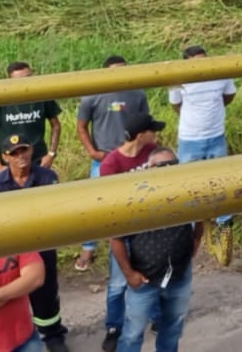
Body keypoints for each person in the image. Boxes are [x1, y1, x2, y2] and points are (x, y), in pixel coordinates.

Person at [109, 147, 199, 352]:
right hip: (144, 280)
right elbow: (116, 239)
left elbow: (202, 214)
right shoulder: (134, 199)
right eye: (161, 166)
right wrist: (129, 274)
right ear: (149, 168)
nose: (167, 170)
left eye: (172, 165)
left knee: (173, 327)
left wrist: (196, 239)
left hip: (179, 277)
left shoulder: (185, 193)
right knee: (132, 333)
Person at [0, 138, 68, 351]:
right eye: (14, 153)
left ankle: (52, 335)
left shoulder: (47, 177)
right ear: (5, 157)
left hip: (42, 244)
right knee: (11, 295)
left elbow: (55, 211)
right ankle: (15, 337)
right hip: (10, 249)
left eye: (24, 150)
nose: (20, 156)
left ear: (31, 150)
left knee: (46, 292)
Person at [94, 113, 165, 351]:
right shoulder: (111, 164)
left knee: (152, 274)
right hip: (124, 228)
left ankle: (157, 316)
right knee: (118, 283)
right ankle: (114, 327)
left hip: (147, 227)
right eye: (152, 130)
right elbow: (109, 203)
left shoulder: (153, 152)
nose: (156, 134)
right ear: (140, 135)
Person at [74, 56, 151, 272]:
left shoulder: (137, 93)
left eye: (124, 70)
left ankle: (133, 246)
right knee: (96, 204)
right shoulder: (92, 95)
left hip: (131, 159)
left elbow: (145, 125)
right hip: (103, 159)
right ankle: (88, 248)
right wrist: (92, 152)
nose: (120, 74)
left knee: (135, 201)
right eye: (115, 70)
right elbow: (81, 126)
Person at [0, 62, 61, 171]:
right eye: (20, 80)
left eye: (28, 78)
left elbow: (56, 126)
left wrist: (51, 154)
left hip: (39, 163)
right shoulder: (1, 100)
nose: (25, 83)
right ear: (10, 81)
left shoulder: (42, 96)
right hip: (11, 164)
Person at [168, 46, 236, 164]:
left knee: (221, 173)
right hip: (189, 139)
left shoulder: (221, 74)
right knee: (189, 174)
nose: (200, 66)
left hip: (217, 136)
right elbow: (175, 103)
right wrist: (191, 117)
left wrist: (215, 109)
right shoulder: (177, 78)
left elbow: (229, 95)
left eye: (203, 61)